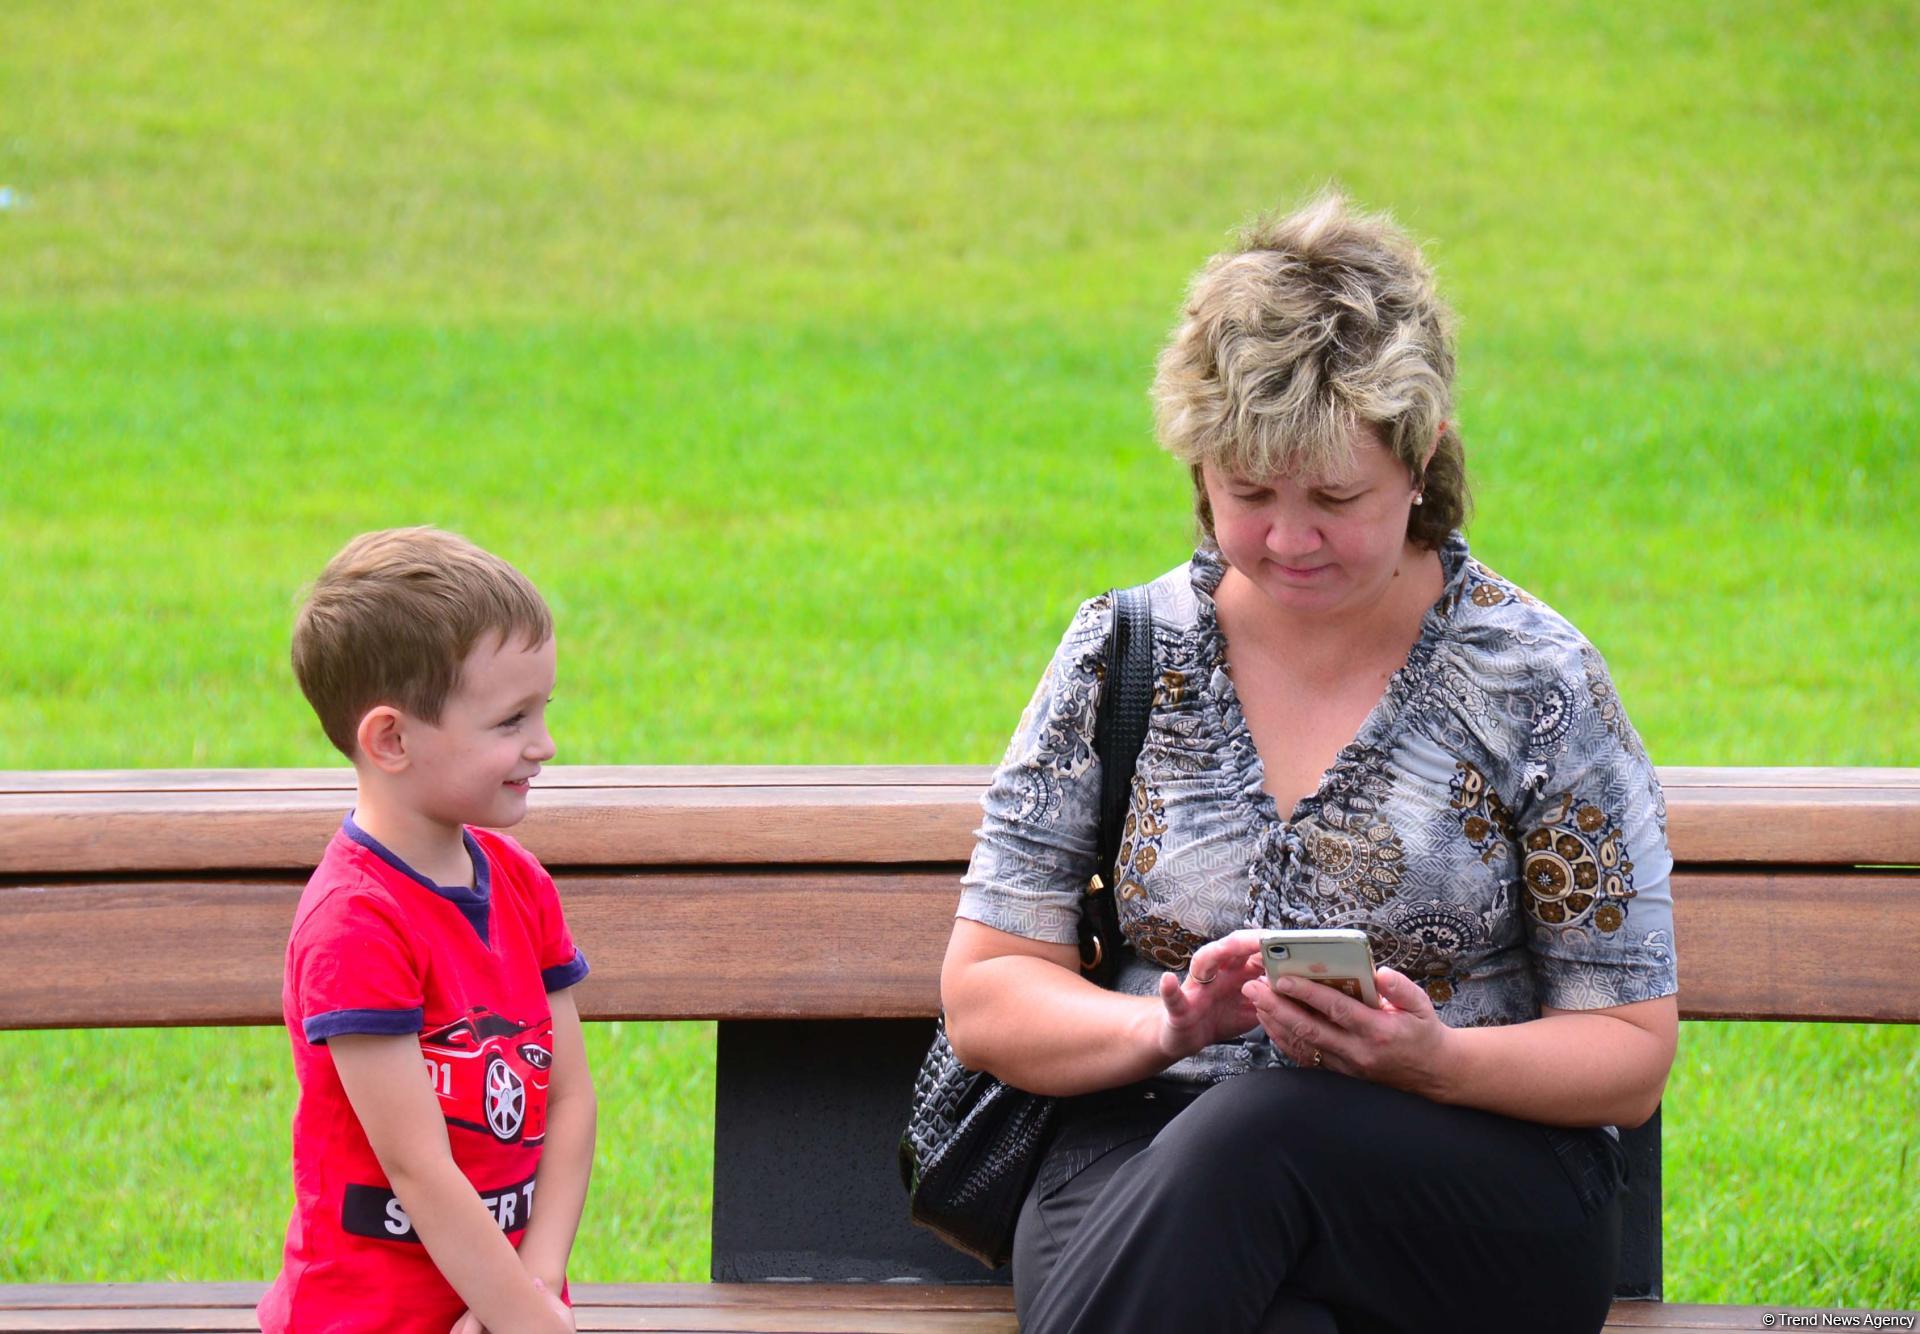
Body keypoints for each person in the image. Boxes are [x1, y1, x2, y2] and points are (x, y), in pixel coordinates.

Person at [940, 194, 1677, 1334]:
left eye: (1335, 497)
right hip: (1143, 1148)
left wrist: (1428, 1056)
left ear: (1421, 456)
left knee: (1262, 1133)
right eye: (1248, 494)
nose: (1289, 538)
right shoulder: (1123, 652)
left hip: (1473, 1181)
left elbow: (1629, 1053)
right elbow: (988, 989)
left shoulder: (1536, 681)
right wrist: (1168, 1027)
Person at [259, 527, 594, 1334]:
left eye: (543, 710)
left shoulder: (518, 882)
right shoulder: (357, 922)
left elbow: (571, 1100)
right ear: (391, 739)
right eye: (512, 720)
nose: (543, 745)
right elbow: (417, 1166)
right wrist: (522, 1316)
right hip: (368, 1317)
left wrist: (535, 1287)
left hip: (509, 1303)